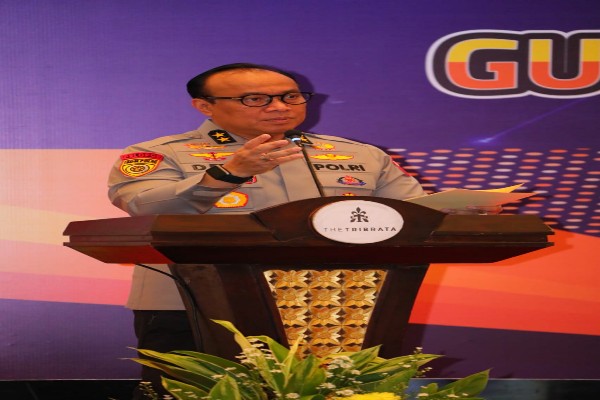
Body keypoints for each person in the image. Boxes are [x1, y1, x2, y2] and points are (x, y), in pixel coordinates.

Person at [107, 62, 426, 397]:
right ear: (204, 106)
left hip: (339, 303)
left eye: (290, 96)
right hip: (192, 304)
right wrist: (227, 174)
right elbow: (143, 207)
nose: (279, 107)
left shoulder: (360, 155)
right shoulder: (159, 153)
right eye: (255, 99)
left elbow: (420, 215)